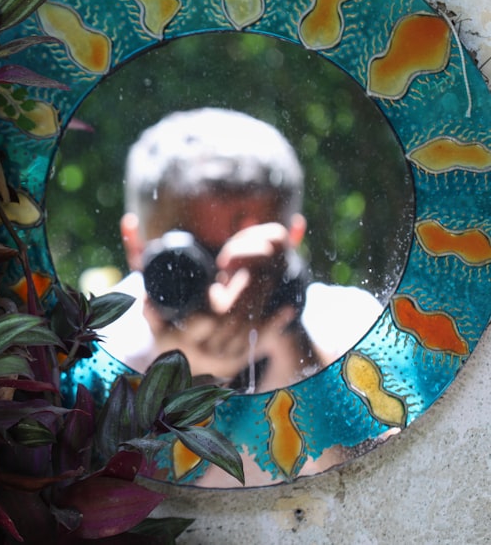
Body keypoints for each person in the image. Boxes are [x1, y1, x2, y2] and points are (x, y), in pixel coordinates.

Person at [60, 108, 382, 407]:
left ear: (290, 244)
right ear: (137, 247)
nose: (221, 291)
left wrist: (297, 350)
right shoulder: (97, 352)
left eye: (251, 265)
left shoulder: (351, 327)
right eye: (186, 265)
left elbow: (395, 461)